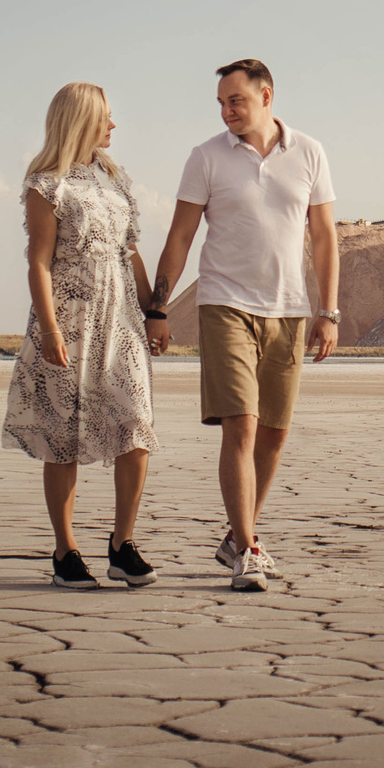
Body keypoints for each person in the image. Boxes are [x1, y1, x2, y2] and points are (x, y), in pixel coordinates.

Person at [145, 59, 339, 592]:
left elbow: (324, 236)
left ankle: (237, 536)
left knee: (274, 433)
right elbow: (181, 236)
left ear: (266, 95)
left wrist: (329, 311)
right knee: (242, 426)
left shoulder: (310, 152)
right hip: (225, 305)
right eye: (221, 103)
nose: (227, 112)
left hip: (289, 310)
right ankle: (248, 551)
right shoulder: (206, 157)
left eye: (236, 100)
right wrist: (158, 308)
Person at [0, 81, 160, 590]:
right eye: (104, 116)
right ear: (80, 120)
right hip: (68, 319)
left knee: (135, 423)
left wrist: (154, 311)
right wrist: (49, 328)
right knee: (62, 436)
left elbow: (130, 251)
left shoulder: (115, 180)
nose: (113, 124)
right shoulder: (47, 185)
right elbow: (39, 262)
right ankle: (66, 551)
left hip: (122, 319)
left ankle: (122, 544)